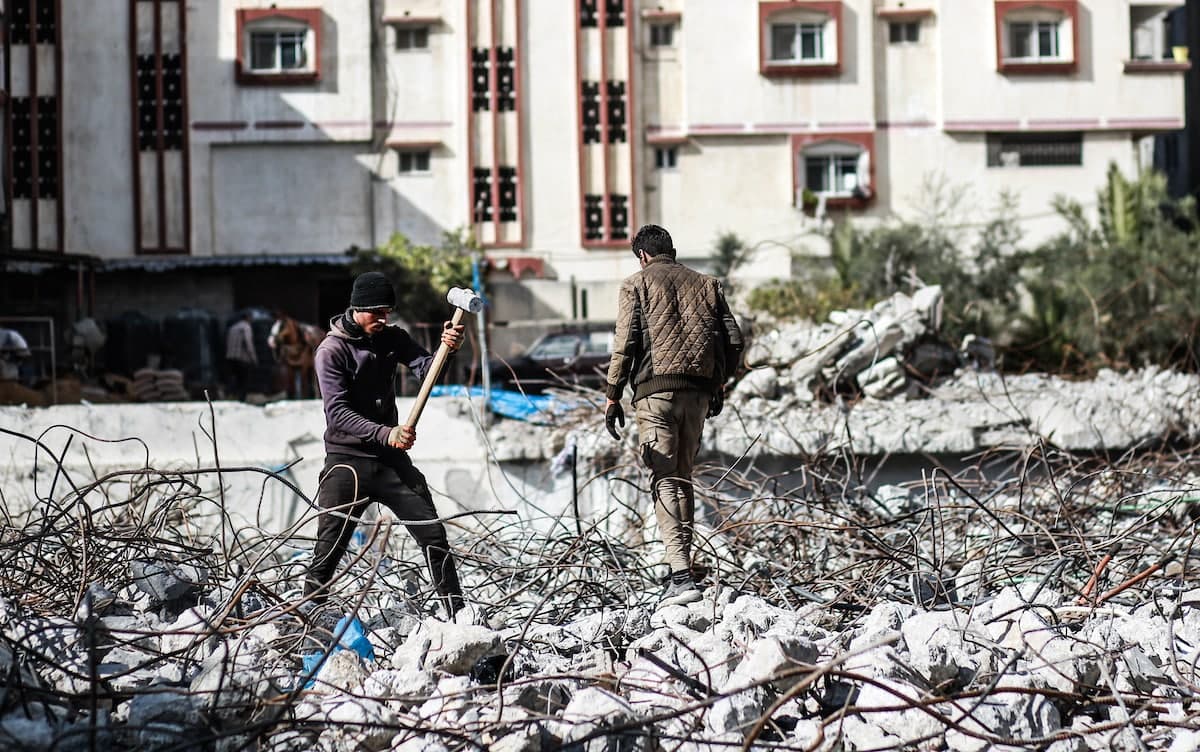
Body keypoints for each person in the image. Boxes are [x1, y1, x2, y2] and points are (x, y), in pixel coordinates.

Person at [305, 271, 469, 620]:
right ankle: (307, 619)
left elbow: (428, 370)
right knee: (328, 550)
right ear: (356, 309)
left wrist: (447, 350)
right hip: (347, 462)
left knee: (433, 536)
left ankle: (458, 615)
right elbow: (338, 414)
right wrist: (387, 433)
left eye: (387, 312)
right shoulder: (331, 351)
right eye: (376, 312)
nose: (383, 319)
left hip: (390, 461)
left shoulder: (392, 338)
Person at [603, 224, 744, 607]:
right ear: (672, 251)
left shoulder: (636, 284)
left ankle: (680, 576)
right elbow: (734, 342)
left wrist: (613, 395)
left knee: (665, 479)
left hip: (655, 395)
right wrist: (717, 384)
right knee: (683, 476)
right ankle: (684, 569)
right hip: (697, 395)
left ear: (643, 256)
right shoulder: (709, 284)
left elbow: (625, 344)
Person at [225, 311, 258, 401]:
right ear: (247, 318)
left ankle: (230, 396)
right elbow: (249, 344)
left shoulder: (233, 327)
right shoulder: (246, 327)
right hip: (242, 358)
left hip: (230, 357)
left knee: (234, 378)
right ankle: (241, 399)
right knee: (244, 380)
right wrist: (254, 359)